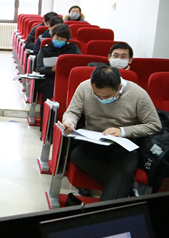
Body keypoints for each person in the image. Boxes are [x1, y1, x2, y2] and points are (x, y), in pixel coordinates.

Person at [63, 66, 161, 201]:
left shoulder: (138, 94)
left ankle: (104, 209)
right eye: (97, 95)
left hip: (123, 145)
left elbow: (154, 125)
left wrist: (123, 131)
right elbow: (72, 112)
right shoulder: (84, 87)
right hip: (93, 140)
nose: (101, 99)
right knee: (77, 155)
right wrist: (70, 121)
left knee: (124, 168)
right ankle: (129, 188)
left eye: (106, 96)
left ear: (119, 87)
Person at [35, 24, 82, 125]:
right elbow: (39, 68)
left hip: (68, 78)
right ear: (53, 36)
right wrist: (52, 69)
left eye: (62, 38)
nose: (59, 40)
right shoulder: (45, 49)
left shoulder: (73, 48)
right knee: (49, 90)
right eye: (57, 37)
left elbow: (80, 63)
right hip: (49, 79)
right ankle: (46, 124)